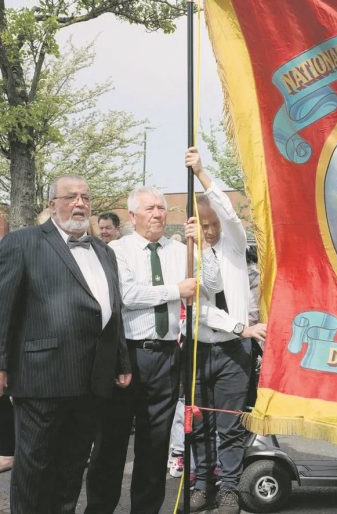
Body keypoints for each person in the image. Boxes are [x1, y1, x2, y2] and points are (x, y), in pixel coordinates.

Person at [85, 185, 221, 514]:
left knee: (155, 444)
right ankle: (100, 508)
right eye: (150, 208)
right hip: (126, 355)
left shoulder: (178, 250)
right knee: (112, 443)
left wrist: (201, 246)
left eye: (162, 207)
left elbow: (212, 284)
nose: (159, 213)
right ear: (132, 216)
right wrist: (176, 289)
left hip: (165, 356)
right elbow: (128, 295)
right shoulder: (117, 251)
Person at [0, 175, 131, 513]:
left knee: (72, 467)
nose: (79, 203)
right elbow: (3, 308)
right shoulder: (22, 242)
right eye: (70, 197)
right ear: (51, 204)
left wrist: (121, 361)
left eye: (85, 197)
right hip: (41, 377)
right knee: (34, 468)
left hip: (92, 380)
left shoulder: (104, 251)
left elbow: (112, 308)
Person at [185, 146, 267, 514]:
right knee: (200, 423)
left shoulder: (234, 245)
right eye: (203, 227)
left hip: (235, 350)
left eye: (214, 224)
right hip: (202, 349)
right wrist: (239, 325)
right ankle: (203, 484)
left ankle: (230, 488)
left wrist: (202, 173)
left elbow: (230, 212)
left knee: (230, 425)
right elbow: (199, 309)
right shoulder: (188, 254)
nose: (211, 231)